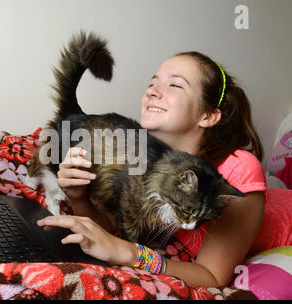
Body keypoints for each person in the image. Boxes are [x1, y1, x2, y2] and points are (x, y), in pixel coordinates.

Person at [37, 51, 267, 288]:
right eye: (152, 82)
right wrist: (78, 195)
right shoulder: (147, 158)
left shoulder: (239, 170)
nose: (152, 91)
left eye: (175, 84)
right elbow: (108, 230)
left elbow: (212, 278)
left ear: (208, 116)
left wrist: (131, 254)